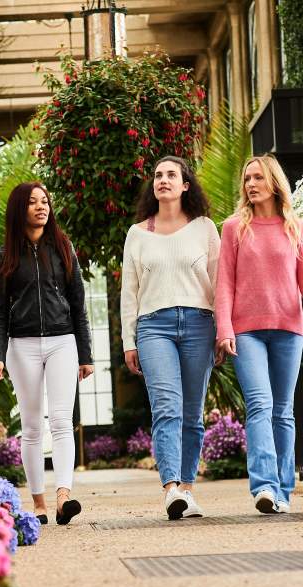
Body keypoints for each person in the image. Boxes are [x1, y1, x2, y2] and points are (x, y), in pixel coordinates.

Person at [0, 181, 93, 525]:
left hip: (63, 341)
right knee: (32, 427)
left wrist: (85, 353)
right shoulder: (5, 256)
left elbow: (78, 303)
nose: (41, 206)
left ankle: (64, 497)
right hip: (22, 346)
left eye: (44, 201)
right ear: (20, 209)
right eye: (33, 202)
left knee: (62, 421)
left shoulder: (63, 247)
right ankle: (40, 504)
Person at [120, 156, 220, 520]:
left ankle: (187, 491)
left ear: (185, 185)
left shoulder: (205, 228)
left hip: (199, 324)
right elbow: (129, 292)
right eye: (158, 175)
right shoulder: (137, 234)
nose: (163, 180)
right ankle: (170, 488)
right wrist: (128, 341)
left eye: (171, 175)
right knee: (166, 407)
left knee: (192, 414)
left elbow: (220, 283)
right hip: (153, 327)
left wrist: (223, 330)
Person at [216, 154, 303, 514]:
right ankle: (264, 487)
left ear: (273, 182)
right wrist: (224, 328)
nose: (250, 184)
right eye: (247, 179)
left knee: (283, 411)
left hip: (289, 329)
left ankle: (283, 489)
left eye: (257, 178)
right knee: (260, 405)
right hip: (247, 331)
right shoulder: (234, 227)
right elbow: (224, 283)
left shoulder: (294, 227)